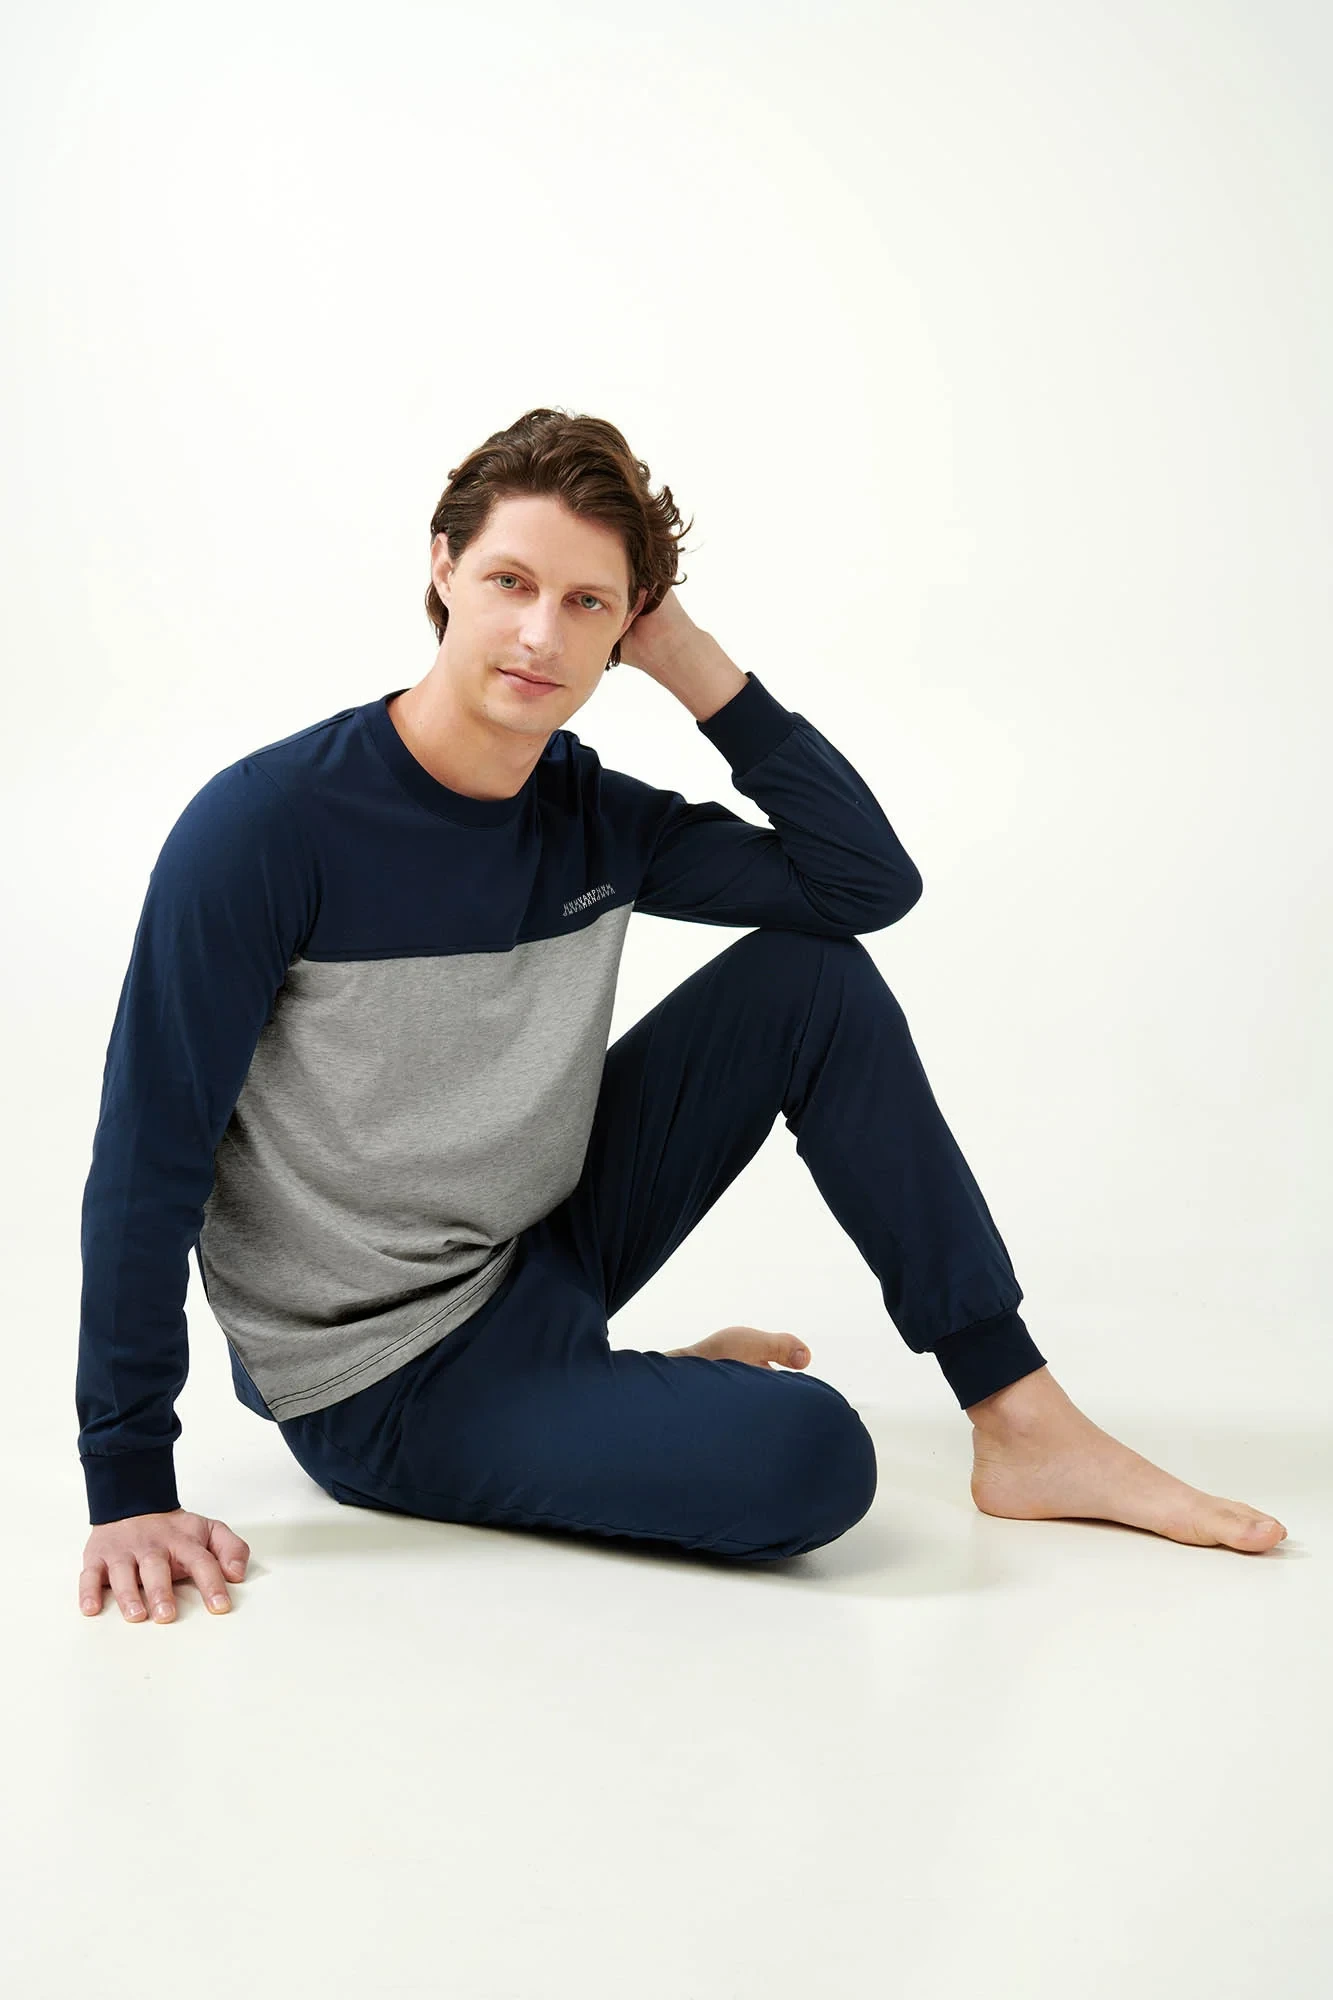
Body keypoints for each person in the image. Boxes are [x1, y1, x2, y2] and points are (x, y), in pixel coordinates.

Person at [75, 407, 1288, 1624]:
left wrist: (694, 664)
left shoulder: (590, 814)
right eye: (510, 581)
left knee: (809, 979)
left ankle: (1019, 1417)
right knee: (811, 1456)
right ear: (442, 566)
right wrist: (127, 1483)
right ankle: (589, 1394)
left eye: (588, 604)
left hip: (538, 1246)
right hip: (385, 1376)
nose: (542, 634)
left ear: (628, 624)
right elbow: (147, 1153)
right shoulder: (266, 829)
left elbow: (863, 887)